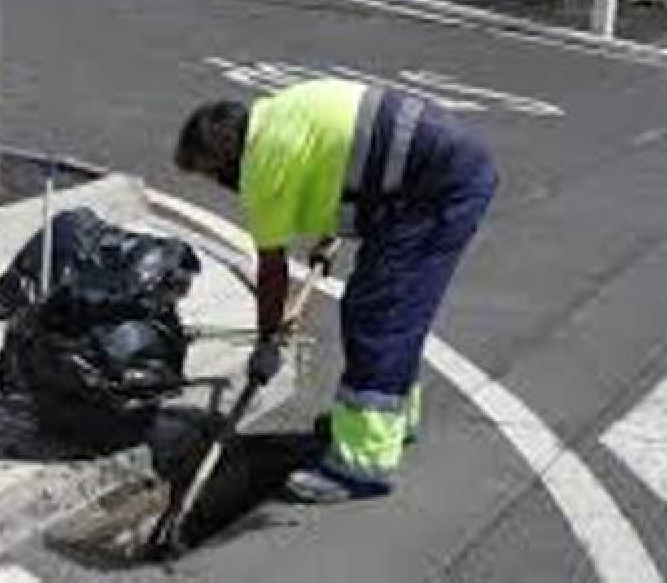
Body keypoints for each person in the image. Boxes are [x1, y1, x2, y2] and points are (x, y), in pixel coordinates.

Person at [174, 79, 497, 503]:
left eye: (211, 174)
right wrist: (330, 234)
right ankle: (391, 423)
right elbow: (341, 164)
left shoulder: (262, 170)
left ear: (225, 159)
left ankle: (361, 463)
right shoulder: (279, 115)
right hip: (434, 173)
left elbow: (272, 271)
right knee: (390, 310)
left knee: (381, 315)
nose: (219, 184)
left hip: (436, 188)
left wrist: (268, 341)